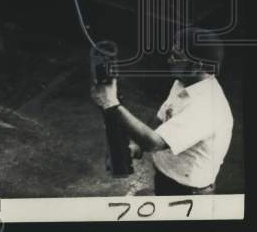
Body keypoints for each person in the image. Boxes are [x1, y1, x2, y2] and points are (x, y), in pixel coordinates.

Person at [90, 28, 233, 195]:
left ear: (196, 65)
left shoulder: (206, 107)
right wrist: (137, 147)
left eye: (176, 56)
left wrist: (111, 103)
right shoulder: (185, 82)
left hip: (188, 192)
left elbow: (154, 142)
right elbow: (162, 118)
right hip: (166, 178)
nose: (169, 60)